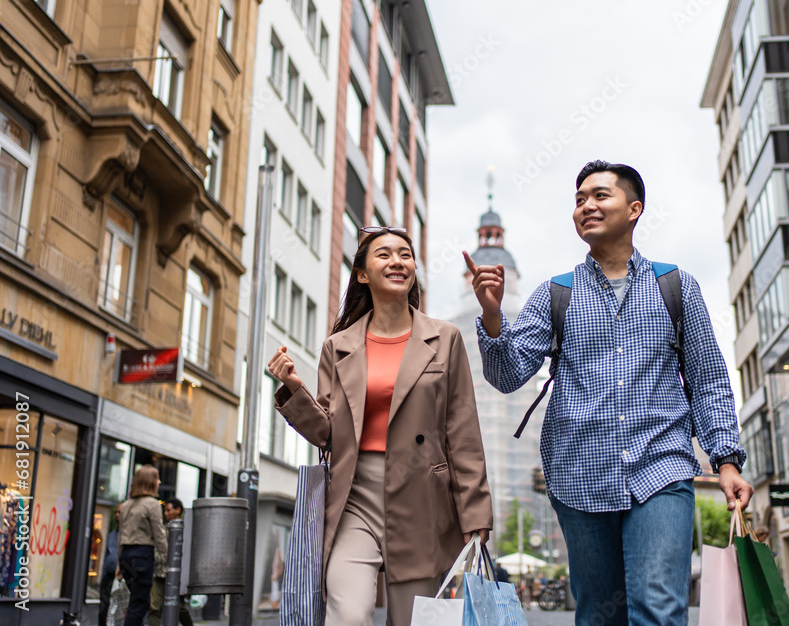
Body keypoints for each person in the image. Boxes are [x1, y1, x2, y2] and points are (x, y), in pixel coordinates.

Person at [464, 160, 752, 625]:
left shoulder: (675, 286)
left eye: (600, 196)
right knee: (598, 614)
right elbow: (509, 374)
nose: (587, 206)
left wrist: (726, 460)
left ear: (634, 208)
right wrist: (494, 317)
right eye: (579, 200)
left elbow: (709, 380)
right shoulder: (555, 293)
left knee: (658, 608)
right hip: (578, 474)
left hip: (661, 468)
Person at [268, 225, 493, 626]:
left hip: (423, 496)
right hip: (355, 495)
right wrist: (294, 390)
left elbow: (463, 433)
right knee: (349, 616)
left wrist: (475, 516)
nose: (397, 262)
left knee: (416, 620)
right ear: (362, 274)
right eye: (384, 254)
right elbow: (327, 433)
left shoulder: (445, 338)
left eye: (405, 254)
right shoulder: (338, 346)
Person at [117, 465, 167, 626]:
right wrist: (167, 554)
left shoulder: (126, 505)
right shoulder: (152, 504)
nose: (159, 482)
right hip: (142, 555)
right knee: (140, 602)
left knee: (135, 600)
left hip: (126, 555)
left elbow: (120, 535)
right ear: (150, 482)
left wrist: (119, 561)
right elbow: (158, 533)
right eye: (156, 478)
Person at [148, 499, 193, 626]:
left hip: (176, 575)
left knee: (178, 607)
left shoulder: (185, 529)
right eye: (165, 510)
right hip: (159, 573)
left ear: (178, 510)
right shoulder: (162, 528)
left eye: (169, 510)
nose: (166, 513)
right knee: (154, 606)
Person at [98, 503, 122, 626]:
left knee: (119, 608)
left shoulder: (130, 534)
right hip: (109, 575)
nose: (117, 515)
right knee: (103, 607)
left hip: (122, 576)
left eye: (120, 512)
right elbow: (107, 557)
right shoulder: (112, 534)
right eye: (115, 512)